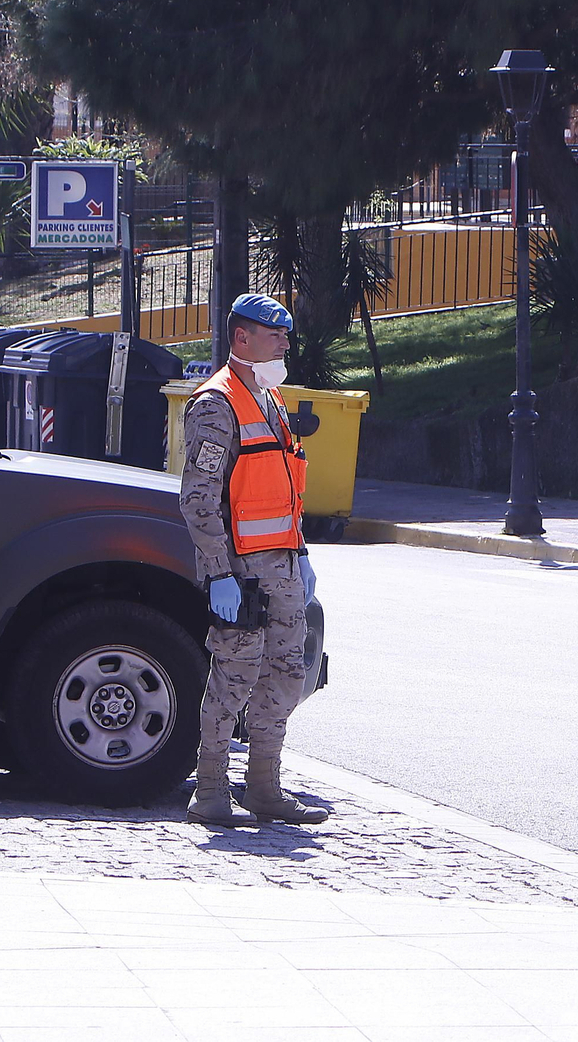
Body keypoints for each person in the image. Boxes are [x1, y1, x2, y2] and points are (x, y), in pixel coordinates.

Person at [178, 293, 326, 826]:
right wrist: (218, 572)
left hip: (282, 565)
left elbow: (283, 486)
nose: (286, 342)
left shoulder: (269, 396)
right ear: (242, 338)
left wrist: (301, 553)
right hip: (240, 572)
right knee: (233, 678)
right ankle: (211, 790)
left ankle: (264, 785)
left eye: (286, 334)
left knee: (286, 673)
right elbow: (199, 496)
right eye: (275, 334)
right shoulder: (217, 403)